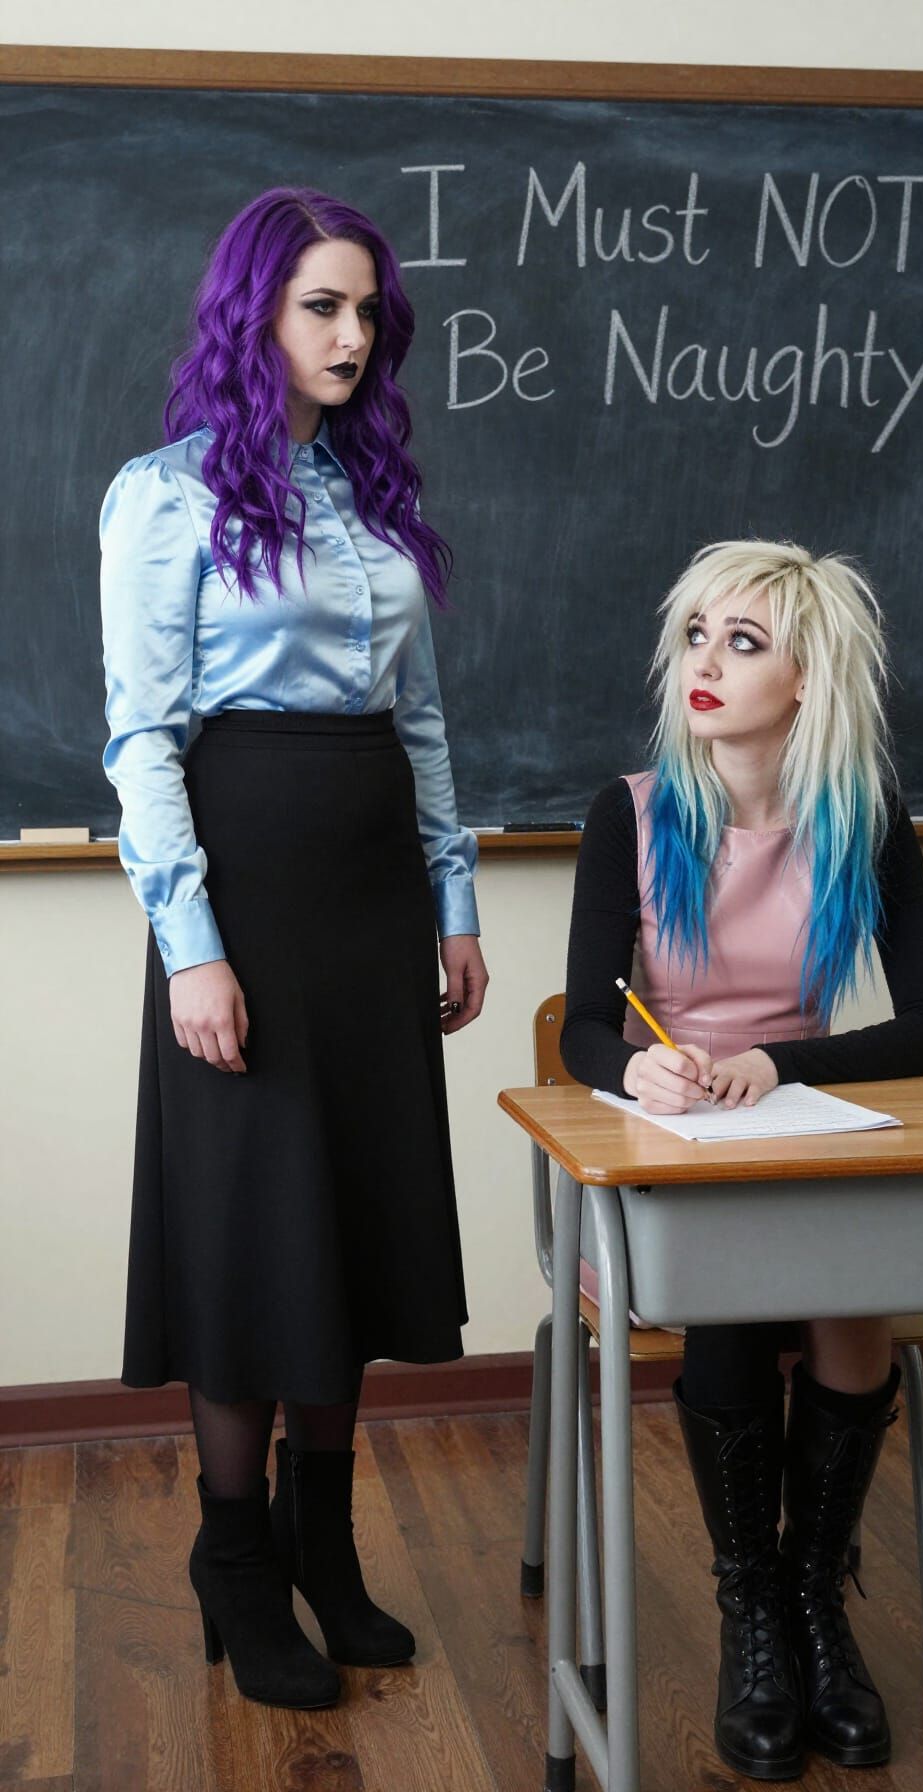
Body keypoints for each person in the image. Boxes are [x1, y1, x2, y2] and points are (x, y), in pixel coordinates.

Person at [100, 188, 489, 1711]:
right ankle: (240, 1565)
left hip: (374, 889)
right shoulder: (166, 493)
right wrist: (189, 946)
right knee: (251, 1230)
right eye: (322, 306)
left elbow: (426, 719)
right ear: (257, 314)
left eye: (367, 311)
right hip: (245, 885)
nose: (352, 333)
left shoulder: (377, 499)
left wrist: (454, 904)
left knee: (355, 1219)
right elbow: (140, 739)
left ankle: (329, 1554)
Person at [561, 540, 923, 1781]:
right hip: (661, 1156)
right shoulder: (625, 813)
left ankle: (811, 1601)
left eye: (744, 643)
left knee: (849, 1291)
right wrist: (635, 1066)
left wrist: (781, 1067)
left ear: (806, 681)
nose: (706, 663)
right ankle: (755, 1617)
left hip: (791, 1128)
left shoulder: (865, 818)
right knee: (738, 1294)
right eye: (696, 635)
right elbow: (582, 1024)